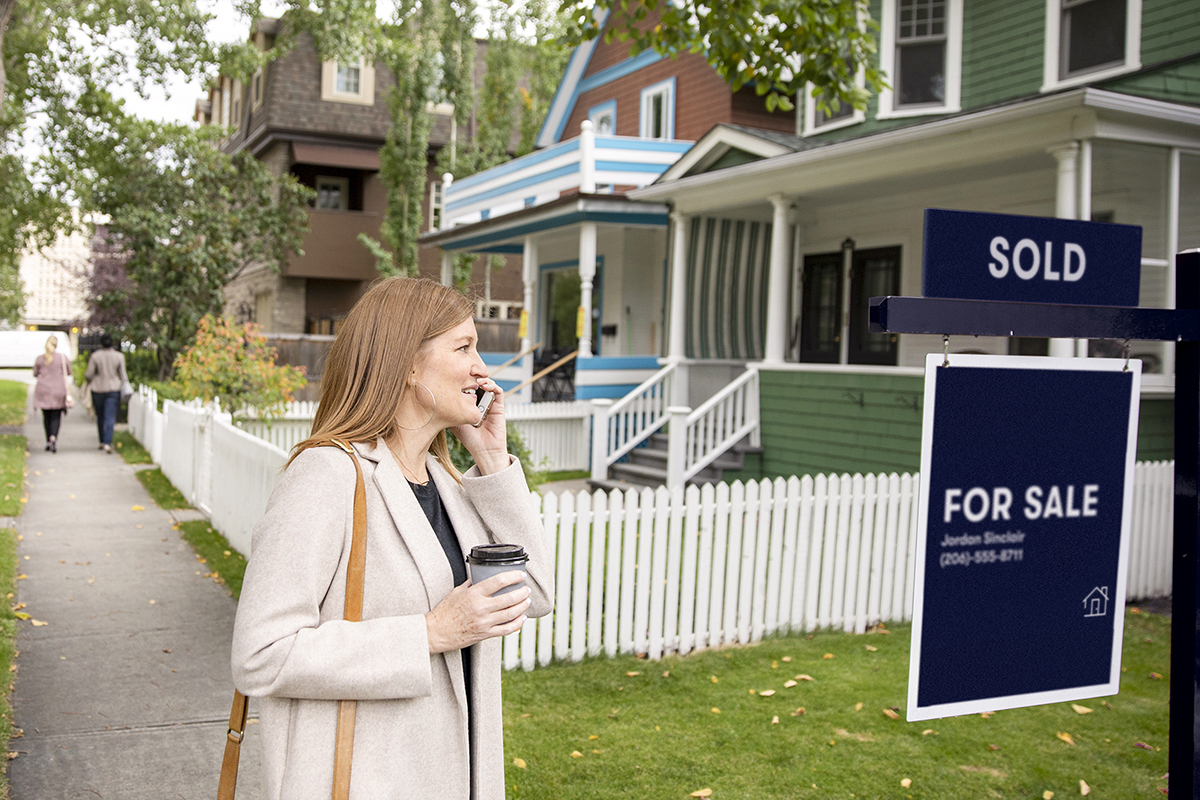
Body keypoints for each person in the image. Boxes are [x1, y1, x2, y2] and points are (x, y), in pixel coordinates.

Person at [231, 277, 554, 800]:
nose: (482, 369)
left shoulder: (448, 485)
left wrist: (493, 460)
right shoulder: (328, 475)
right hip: (365, 781)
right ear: (405, 363)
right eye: (464, 347)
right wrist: (428, 633)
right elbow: (261, 653)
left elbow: (533, 594)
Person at [84, 333, 127, 454]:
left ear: (101, 343)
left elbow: (89, 374)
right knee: (110, 416)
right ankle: (108, 442)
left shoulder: (95, 356)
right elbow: (123, 376)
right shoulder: (119, 356)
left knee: (100, 416)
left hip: (98, 389)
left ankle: (102, 441)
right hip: (113, 389)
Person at [31, 336, 72, 453]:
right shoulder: (62, 358)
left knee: (46, 416)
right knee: (56, 416)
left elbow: (35, 373)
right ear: (56, 345)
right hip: (58, 390)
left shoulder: (40, 358)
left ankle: (48, 440)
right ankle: (53, 437)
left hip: (43, 390)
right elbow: (69, 371)